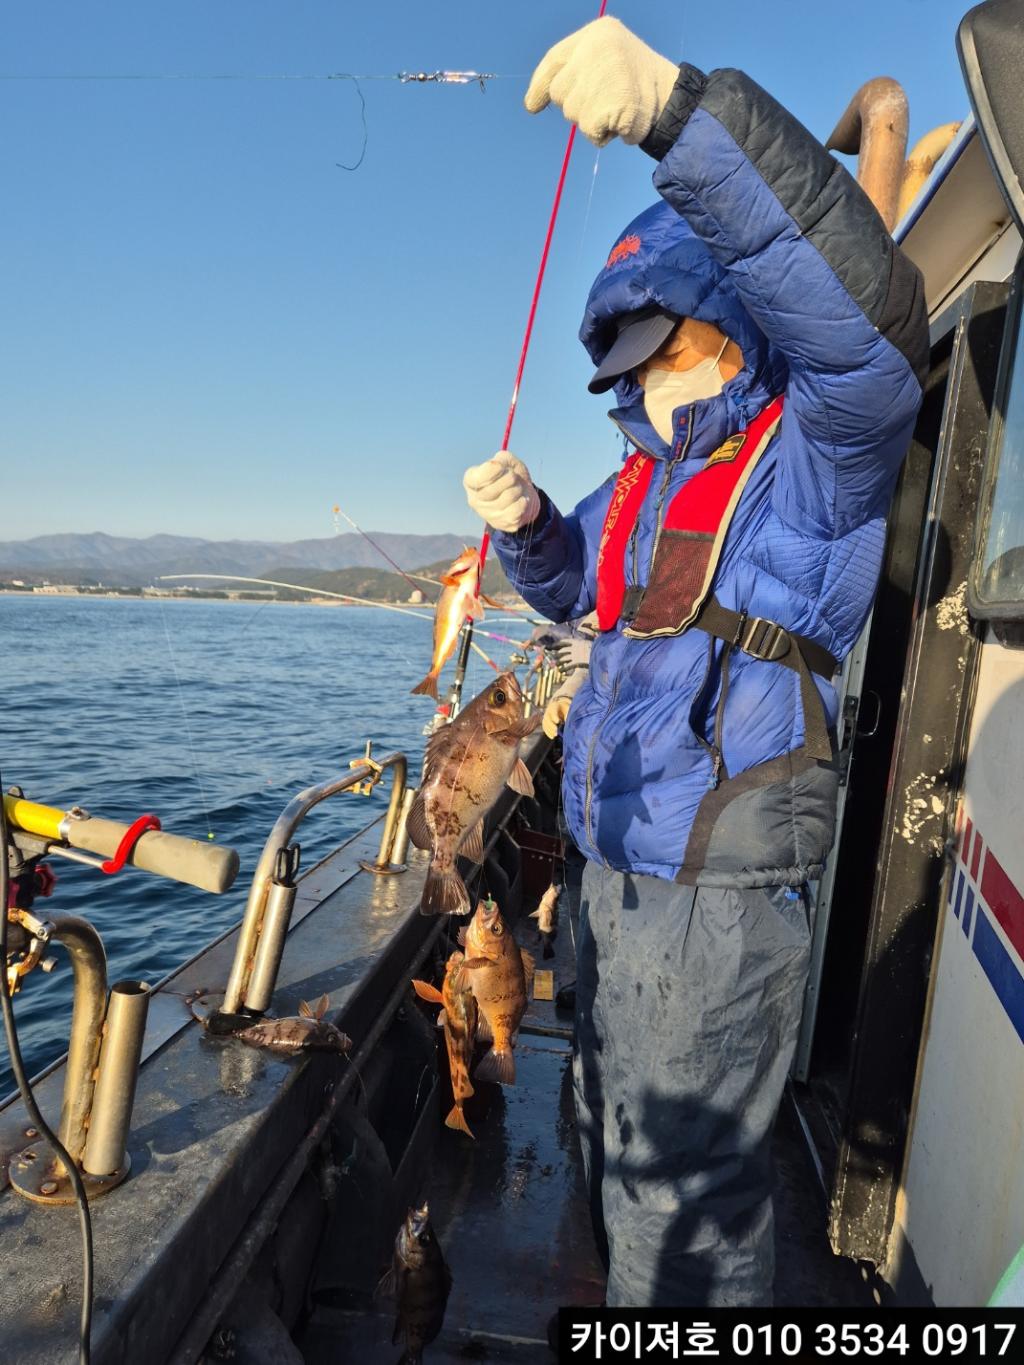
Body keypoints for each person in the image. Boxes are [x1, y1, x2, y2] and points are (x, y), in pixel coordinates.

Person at [463, 16, 929, 1309]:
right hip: (612, 874)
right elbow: (581, 595)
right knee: (610, 1126)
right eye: (630, 364)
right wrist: (532, 528)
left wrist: (679, 114)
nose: (651, 383)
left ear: (730, 323)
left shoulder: (817, 454)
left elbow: (871, 325)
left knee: (686, 1207)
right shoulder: (643, 481)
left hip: (716, 893)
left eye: (671, 346)